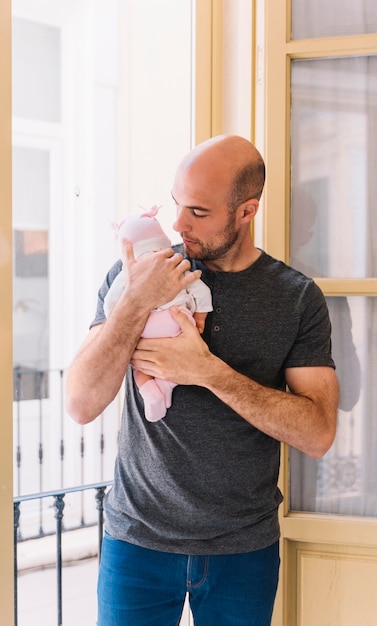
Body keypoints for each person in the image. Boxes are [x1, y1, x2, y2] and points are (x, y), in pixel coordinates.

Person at [66, 134, 339, 626]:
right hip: (137, 544)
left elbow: (318, 432)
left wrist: (208, 372)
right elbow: (81, 403)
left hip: (243, 551)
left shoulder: (297, 299)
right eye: (176, 205)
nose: (177, 224)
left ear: (246, 211)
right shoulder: (142, 273)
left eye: (198, 212)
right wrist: (134, 301)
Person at [103, 205, 213, 422]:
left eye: (199, 211)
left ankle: (149, 391)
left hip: (146, 329)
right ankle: (166, 385)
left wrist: (117, 318)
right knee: (179, 358)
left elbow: (111, 304)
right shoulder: (178, 264)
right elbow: (201, 289)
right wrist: (200, 317)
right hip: (177, 321)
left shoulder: (127, 274)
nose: (178, 224)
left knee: (141, 367)